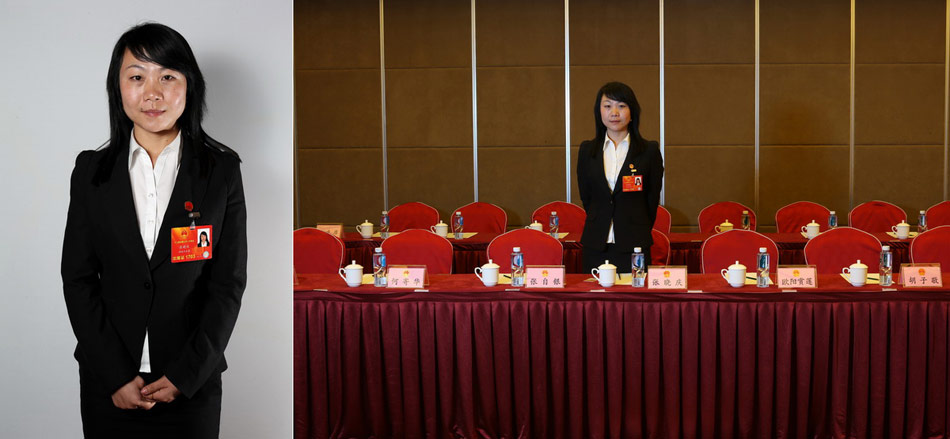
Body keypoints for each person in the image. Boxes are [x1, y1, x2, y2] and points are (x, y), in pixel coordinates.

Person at [61, 23, 247, 438]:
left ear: (189, 86)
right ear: (118, 88)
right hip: (109, 386)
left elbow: (227, 284)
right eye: (136, 77)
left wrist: (188, 373)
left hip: (190, 386)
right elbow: (77, 279)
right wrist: (113, 375)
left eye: (167, 76)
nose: (152, 92)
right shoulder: (91, 172)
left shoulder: (220, 172)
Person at [577, 82, 663, 273]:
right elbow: (587, 197)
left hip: (635, 245)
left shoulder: (648, 151)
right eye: (607, 106)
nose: (614, 112)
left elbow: (651, 198)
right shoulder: (587, 150)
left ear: (632, 112)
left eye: (621, 106)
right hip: (596, 243)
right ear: (599, 112)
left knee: (634, 301)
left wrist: (635, 224)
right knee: (595, 301)